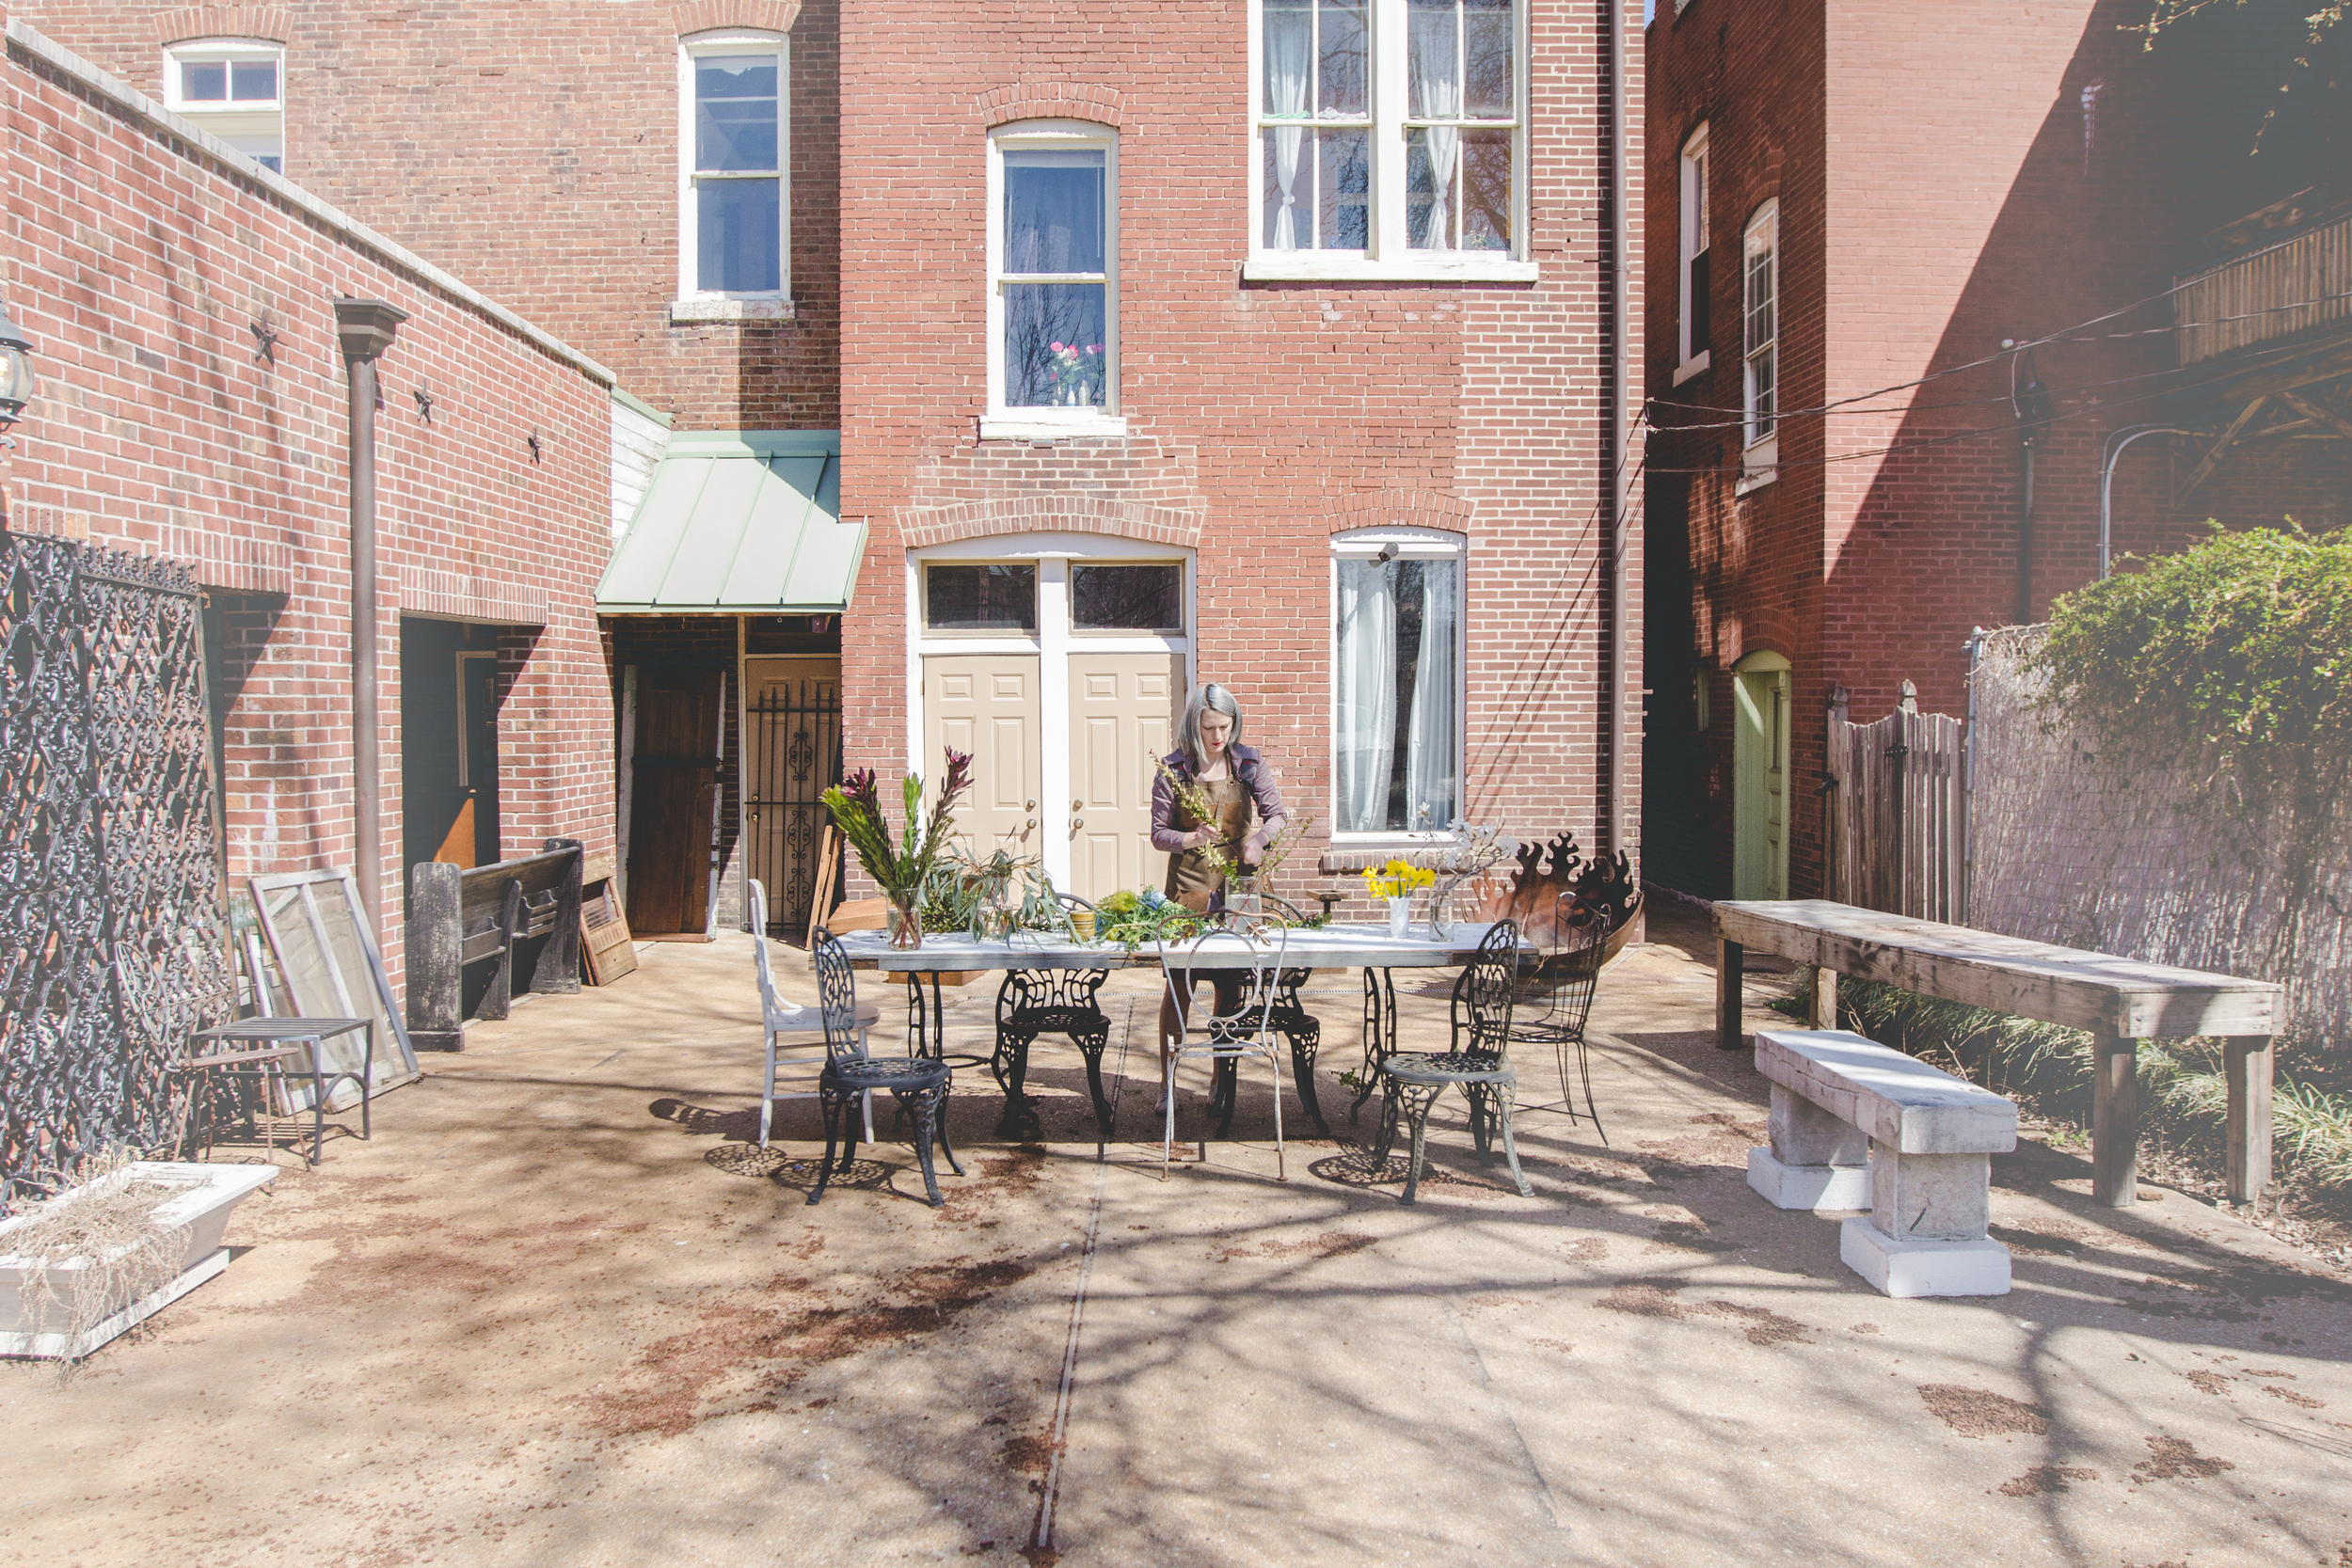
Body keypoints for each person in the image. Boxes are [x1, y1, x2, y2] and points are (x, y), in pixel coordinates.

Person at [1151, 682, 1288, 1102]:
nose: (1217, 736)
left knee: (1230, 987)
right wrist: (1190, 839)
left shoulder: (1249, 764)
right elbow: (1158, 834)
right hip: (1189, 891)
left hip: (1237, 892)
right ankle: (1168, 1082)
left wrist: (1260, 839)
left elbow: (1278, 816)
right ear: (1194, 725)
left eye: (1225, 727)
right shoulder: (1173, 771)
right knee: (1179, 987)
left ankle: (1219, 1081)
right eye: (1209, 727)